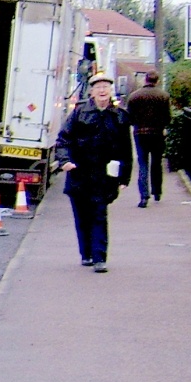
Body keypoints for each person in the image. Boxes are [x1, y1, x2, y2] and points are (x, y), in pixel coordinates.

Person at [56, 72, 133, 273]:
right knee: (82, 216)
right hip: (79, 173)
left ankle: (100, 258)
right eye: (98, 87)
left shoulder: (119, 116)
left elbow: (126, 148)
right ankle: (87, 254)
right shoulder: (80, 112)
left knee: (99, 214)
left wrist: (124, 176)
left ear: (110, 91)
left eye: (105, 87)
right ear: (92, 91)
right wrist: (65, 161)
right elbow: (64, 139)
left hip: (104, 175)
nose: (102, 91)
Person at [124, 70, 171, 208]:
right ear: (157, 81)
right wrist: (162, 125)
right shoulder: (164, 96)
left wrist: (136, 124)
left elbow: (129, 117)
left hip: (140, 133)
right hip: (157, 133)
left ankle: (144, 196)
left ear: (145, 80)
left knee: (143, 163)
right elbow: (168, 117)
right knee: (156, 163)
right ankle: (157, 191)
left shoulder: (134, 96)